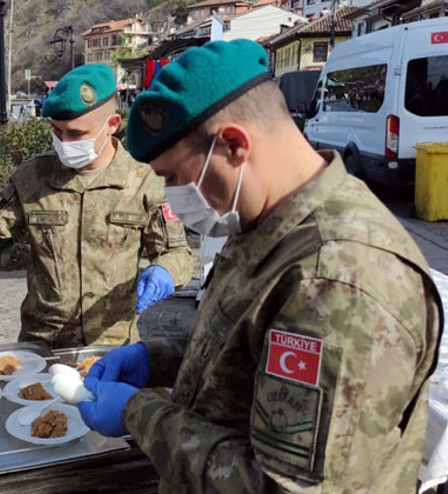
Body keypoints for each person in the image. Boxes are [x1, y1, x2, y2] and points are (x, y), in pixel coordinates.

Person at [76, 40, 443, 492]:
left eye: (173, 177)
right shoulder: (263, 220)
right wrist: (156, 359)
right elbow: (247, 352)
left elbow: (280, 486)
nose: (171, 195)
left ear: (234, 145)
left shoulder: (338, 281)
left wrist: (141, 414)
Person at [0, 64, 193, 348]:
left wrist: (166, 271)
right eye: (57, 131)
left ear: (112, 125)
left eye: (76, 134)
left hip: (111, 346)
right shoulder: (33, 177)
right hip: (42, 345)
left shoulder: (145, 182)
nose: (64, 142)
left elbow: (176, 251)